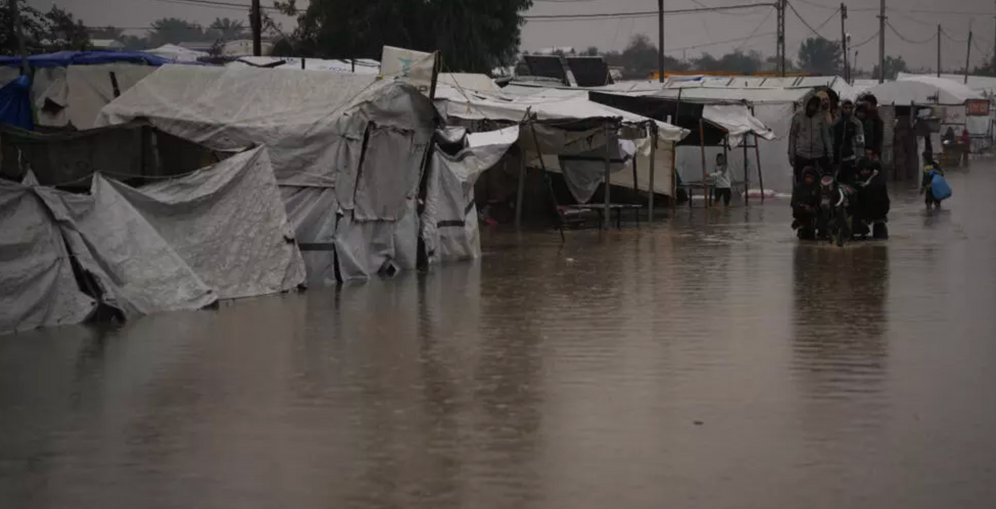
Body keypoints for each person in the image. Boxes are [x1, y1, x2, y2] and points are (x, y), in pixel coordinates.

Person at [789, 96, 833, 183]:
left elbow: (826, 136)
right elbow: (792, 136)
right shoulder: (798, 117)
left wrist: (830, 152)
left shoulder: (821, 118)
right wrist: (791, 153)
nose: (812, 108)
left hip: (818, 155)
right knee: (800, 181)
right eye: (811, 105)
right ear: (806, 104)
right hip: (801, 155)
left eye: (815, 105)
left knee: (817, 181)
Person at [853, 158, 890, 239]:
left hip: (876, 211)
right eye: (862, 170)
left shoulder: (874, 182)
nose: (863, 172)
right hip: (876, 212)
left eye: (866, 170)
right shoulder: (875, 179)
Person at [832, 99, 865, 186]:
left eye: (850, 108)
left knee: (850, 183)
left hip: (851, 158)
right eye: (845, 108)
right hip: (838, 158)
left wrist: (859, 156)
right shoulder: (836, 122)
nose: (848, 110)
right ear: (842, 108)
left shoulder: (857, 123)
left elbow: (860, 141)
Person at [791, 166, 820, 240]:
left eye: (810, 177)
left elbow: (819, 201)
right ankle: (801, 227)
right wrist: (802, 206)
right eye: (807, 177)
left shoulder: (817, 188)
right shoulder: (798, 188)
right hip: (801, 212)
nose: (809, 179)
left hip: (814, 212)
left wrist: (813, 208)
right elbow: (793, 202)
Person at [860, 94, 885, 161]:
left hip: (872, 152)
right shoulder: (861, 118)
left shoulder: (876, 120)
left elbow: (878, 138)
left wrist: (875, 152)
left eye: (866, 104)